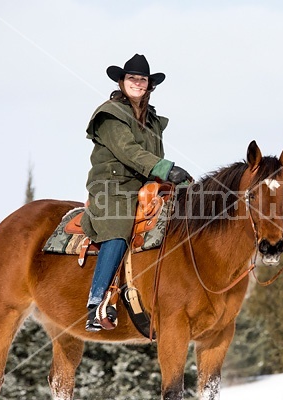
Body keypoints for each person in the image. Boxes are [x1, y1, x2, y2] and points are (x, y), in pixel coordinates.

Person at [81, 54, 192, 332]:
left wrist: (176, 181)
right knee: (119, 228)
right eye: (132, 78)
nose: (137, 83)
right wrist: (166, 168)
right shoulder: (110, 114)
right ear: (121, 82)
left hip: (145, 187)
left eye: (142, 80)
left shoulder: (153, 120)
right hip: (112, 187)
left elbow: (155, 156)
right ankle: (97, 305)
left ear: (149, 86)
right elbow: (128, 151)